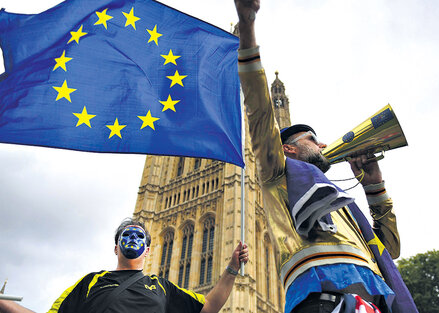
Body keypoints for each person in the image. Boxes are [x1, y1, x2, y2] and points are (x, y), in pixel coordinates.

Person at [234, 0, 417, 312]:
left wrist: (375, 187)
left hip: (373, 303)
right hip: (322, 299)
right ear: (288, 149)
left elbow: (390, 250)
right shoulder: (277, 176)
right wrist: (248, 27)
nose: (322, 145)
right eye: (313, 140)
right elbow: (261, 111)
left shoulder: (335, 201)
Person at [0, 218, 249, 313]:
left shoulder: (161, 287)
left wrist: (232, 268)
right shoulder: (91, 282)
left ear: (148, 250)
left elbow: (209, 306)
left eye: (139, 236)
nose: (132, 239)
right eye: (126, 236)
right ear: (116, 247)